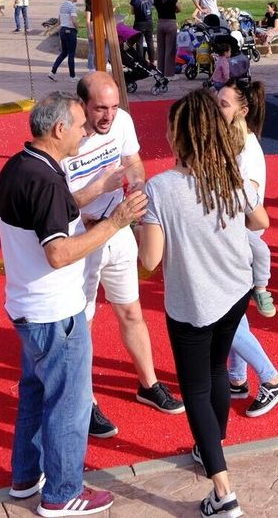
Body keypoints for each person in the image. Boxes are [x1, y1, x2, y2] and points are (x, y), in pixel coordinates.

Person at [0, 92, 144, 517]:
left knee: (35, 393)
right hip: (54, 310)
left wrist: (102, 188)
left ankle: (26, 477)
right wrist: (117, 222)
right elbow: (58, 252)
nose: (85, 131)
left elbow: (56, 210)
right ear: (59, 129)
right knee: (69, 403)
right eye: (80, 124)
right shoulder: (44, 178)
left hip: (27, 305)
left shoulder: (23, 166)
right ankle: (62, 492)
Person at [136, 90, 269, 518]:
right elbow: (260, 220)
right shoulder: (230, 174)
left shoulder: (161, 189)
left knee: (195, 388)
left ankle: (223, 489)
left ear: (179, 136)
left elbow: (150, 264)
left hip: (193, 302)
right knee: (215, 368)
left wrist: (134, 225)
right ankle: (212, 441)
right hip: (235, 290)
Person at [61, 73, 184, 433]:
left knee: (131, 310)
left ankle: (148, 385)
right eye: (100, 108)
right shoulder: (66, 136)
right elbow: (58, 204)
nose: (109, 116)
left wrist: (139, 188)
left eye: (114, 107)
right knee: (81, 323)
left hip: (118, 227)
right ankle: (87, 401)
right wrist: (99, 186)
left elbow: (133, 162)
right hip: (82, 232)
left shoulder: (122, 122)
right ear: (81, 104)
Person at [216, 81, 278, 318]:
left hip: (238, 228)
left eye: (222, 104)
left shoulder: (247, 147)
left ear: (242, 111)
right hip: (228, 226)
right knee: (232, 317)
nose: (215, 108)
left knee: (229, 316)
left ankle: (260, 287)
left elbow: (249, 195)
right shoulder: (226, 135)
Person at [49, 0, 81, 82]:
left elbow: (59, 21)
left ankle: (52, 72)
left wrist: (51, 29)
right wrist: (77, 29)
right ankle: (72, 76)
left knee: (64, 53)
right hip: (70, 31)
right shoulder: (72, 6)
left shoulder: (63, 5)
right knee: (71, 54)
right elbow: (74, 20)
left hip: (62, 31)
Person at [153, 0, 180, 75]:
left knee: (161, 49)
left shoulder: (156, 0)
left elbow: (157, 9)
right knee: (170, 49)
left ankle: (160, 70)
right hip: (171, 23)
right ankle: (168, 73)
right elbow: (179, 9)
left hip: (160, 23)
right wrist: (173, 11)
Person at [126, 0, 155, 66]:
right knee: (150, 42)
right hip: (149, 23)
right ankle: (152, 61)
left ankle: (141, 61)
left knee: (139, 42)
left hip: (139, 24)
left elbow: (132, 12)